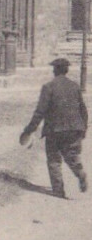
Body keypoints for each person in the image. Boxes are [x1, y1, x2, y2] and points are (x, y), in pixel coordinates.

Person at [19, 57, 88, 199]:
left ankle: (58, 190)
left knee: (54, 159)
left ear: (55, 70)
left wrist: (29, 130)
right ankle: (80, 174)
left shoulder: (48, 87)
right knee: (72, 155)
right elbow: (83, 110)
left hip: (54, 129)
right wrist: (83, 129)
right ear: (67, 70)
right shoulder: (75, 86)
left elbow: (40, 112)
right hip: (75, 128)